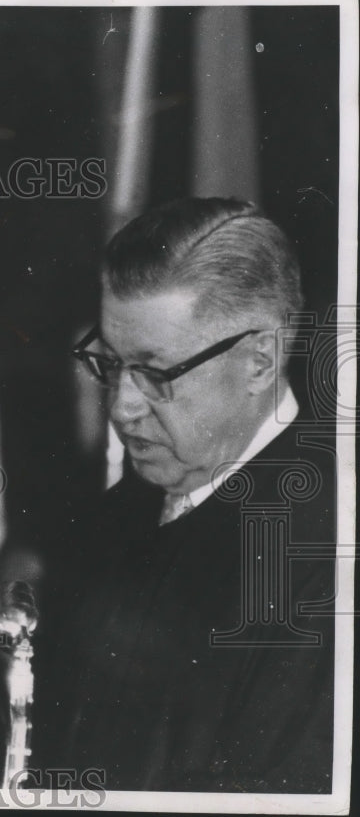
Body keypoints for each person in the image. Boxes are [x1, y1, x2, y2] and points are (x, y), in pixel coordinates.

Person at [33, 197, 337, 792]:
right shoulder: (113, 518)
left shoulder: (317, 557)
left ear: (260, 359)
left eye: (156, 373)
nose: (122, 407)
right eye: (111, 364)